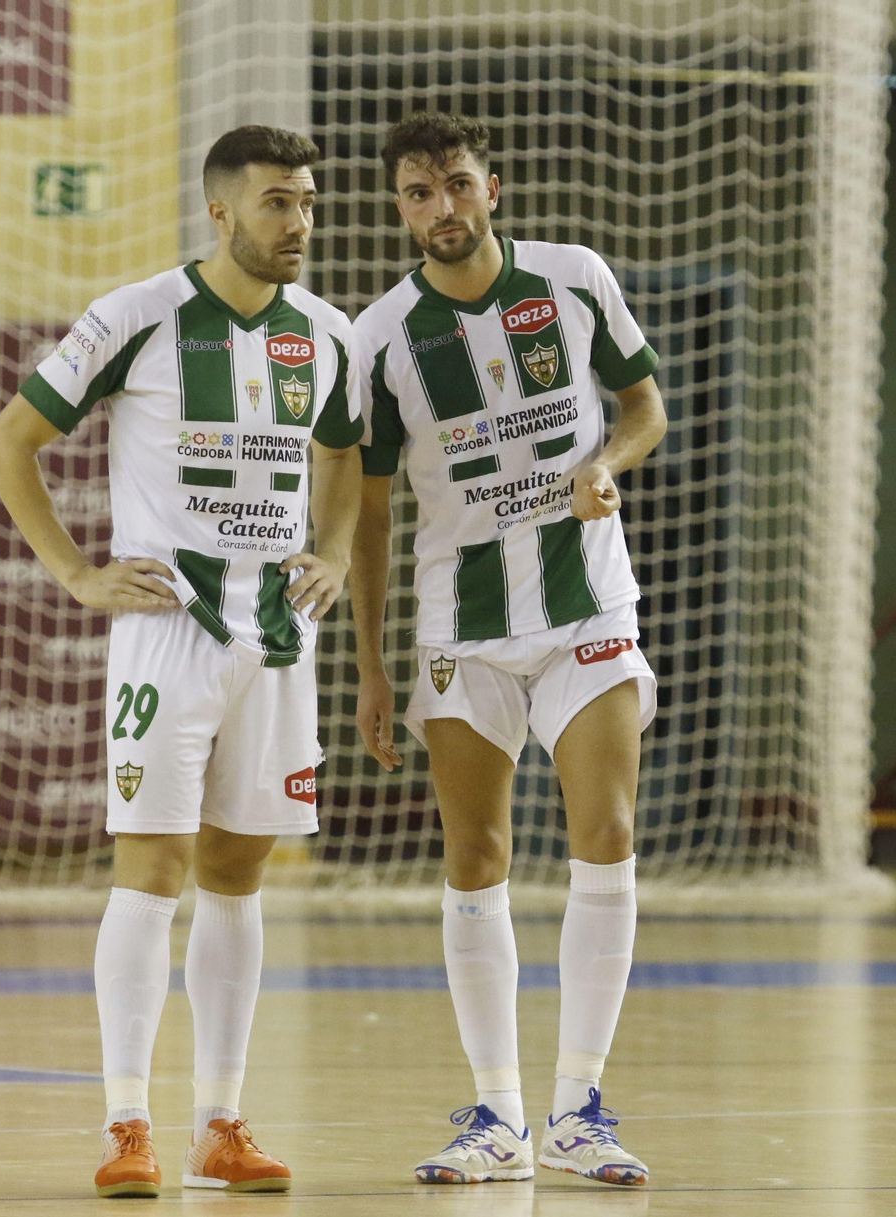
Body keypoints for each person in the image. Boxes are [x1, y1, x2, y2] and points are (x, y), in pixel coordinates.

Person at [0, 125, 363, 1198]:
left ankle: (222, 1122)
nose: (300, 221)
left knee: (239, 874)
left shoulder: (327, 334)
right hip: (167, 626)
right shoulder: (136, 314)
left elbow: (345, 456)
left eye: (309, 201)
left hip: (280, 636)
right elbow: (9, 441)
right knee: (151, 871)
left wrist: (333, 549)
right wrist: (74, 573)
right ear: (222, 212)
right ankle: (127, 1123)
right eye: (279, 202)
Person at [349, 111, 668, 1187]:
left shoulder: (574, 279)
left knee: (608, 830)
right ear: (400, 210)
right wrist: (371, 661)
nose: (441, 207)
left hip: (587, 605)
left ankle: (579, 1105)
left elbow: (644, 404)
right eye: (417, 193)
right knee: (475, 856)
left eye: (456, 184)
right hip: (460, 629)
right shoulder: (378, 337)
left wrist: (613, 460)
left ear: (495, 187)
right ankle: (497, 1115)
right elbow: (373, 511)